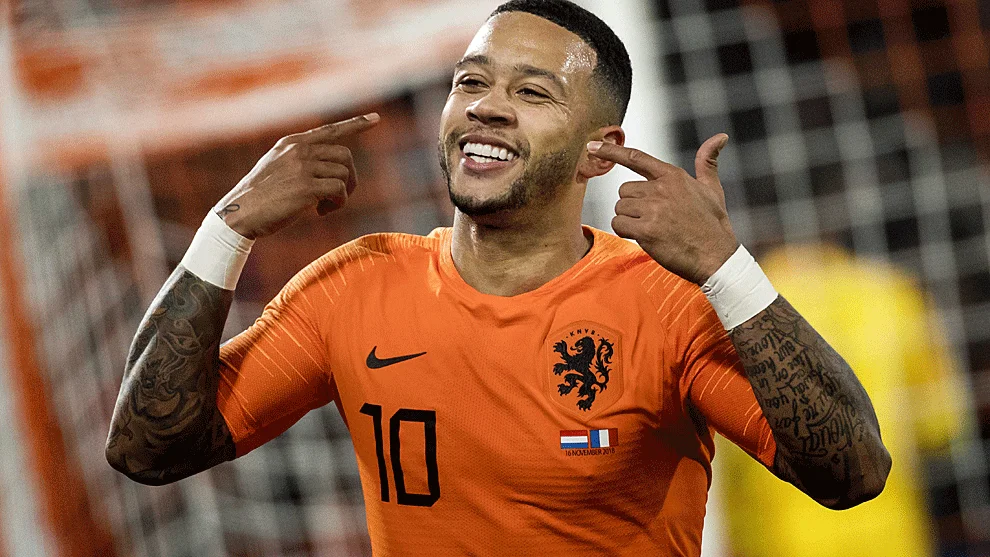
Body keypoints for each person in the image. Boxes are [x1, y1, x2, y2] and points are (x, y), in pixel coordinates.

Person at [106, 1, 891, 554]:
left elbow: (852, 473)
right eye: (471, 81)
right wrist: (227, 228)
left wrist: (726, 268)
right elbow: (147, 448)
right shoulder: (355, 285)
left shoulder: (666, 302)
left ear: (599, 152)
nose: (486, 107)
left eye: (532, 92)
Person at [717, 243, 966, 557]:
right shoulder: (892, 294)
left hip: (780, 542)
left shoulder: (731, 310)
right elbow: (942, 426)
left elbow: (722, 449)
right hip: (888, 537)